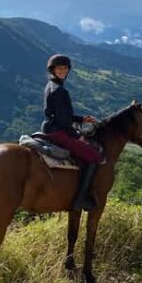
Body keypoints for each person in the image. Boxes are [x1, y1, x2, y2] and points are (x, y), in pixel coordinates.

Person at [41, 54, 103, 211]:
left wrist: (81, 119)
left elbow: (62, 115)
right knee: (94, 157)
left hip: (51, 127)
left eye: (65, 68)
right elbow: (63, 121)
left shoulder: (52, 85)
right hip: (58, 130)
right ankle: (80, 199)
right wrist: (78, 137)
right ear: (53, 70)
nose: (63, 71)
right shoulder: (59, 90)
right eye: (59, 68)